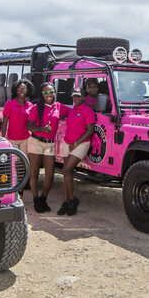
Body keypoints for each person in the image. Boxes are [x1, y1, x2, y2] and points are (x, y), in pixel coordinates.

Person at [26, 82, 69, 213]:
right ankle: (35, 199)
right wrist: (41, 129)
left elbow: (73, 112)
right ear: (42, 94)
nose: (49, 95)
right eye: (45, 92)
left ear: (54, 92)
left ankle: (43, 198)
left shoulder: (59, 107)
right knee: (34, 173)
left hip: (50, 143)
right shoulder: (36, 108)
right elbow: (29, 126)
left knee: (50, 175)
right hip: (36, 141)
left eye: (51, 92)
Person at [58, 87, 95, 216]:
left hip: (80, 144)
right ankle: (66, 202)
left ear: (83, 97)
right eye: (74, 96)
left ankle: (73, 200)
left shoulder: (87, 111)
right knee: (67, 174)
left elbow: (90, 130)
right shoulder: (71, 110)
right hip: (67, 143)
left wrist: (76, 143)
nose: (76, 98)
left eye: (78, 96)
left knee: (67, 170)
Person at [1, 79, 35, 155]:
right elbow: (5, 122)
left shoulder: (30, 105)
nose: (22, 91)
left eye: (24, 89)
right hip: (12, 139)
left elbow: (32, 122)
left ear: (27, 91)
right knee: (14, 163)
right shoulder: (9, 104)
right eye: (19, 89)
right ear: (16, 90)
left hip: (26, 139)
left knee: (25, 162)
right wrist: (3, 138)